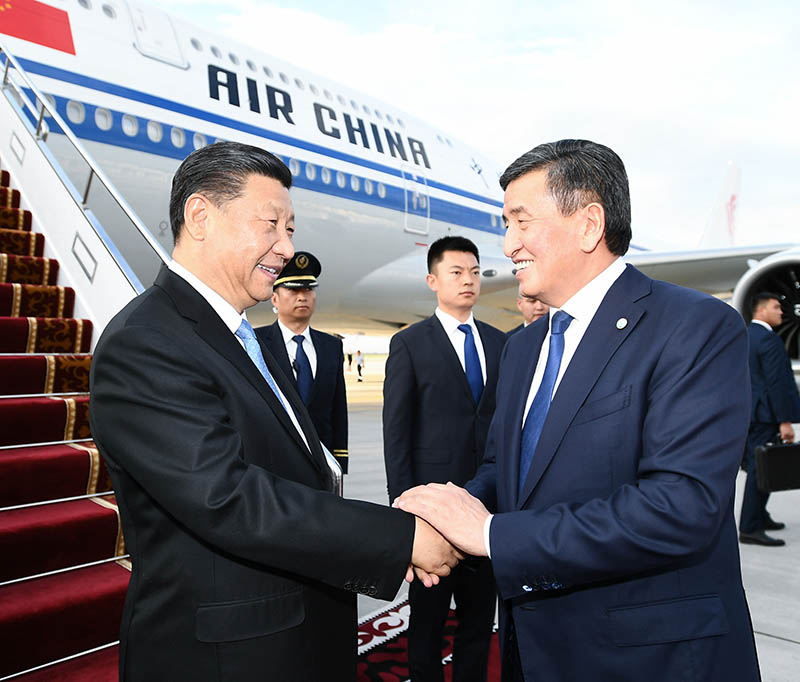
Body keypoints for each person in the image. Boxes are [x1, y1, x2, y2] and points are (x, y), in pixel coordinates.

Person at [89, 141, 458, 682]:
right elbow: (227, 497)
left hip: (291, 634)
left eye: (290, 229)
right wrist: (398, 538)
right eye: (271, 225)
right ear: (200, 216)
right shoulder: (145, 341)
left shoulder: (241, 335)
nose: (286, 248)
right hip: (226, 659)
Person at [396, 140, 760, 681]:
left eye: (521, 222)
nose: (508, 244)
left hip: (647, 660)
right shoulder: (523, 348)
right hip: (533, 650)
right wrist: (443, 516)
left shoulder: (695, 327)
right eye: (506, 224)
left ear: (589, 225)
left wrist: (490, 535)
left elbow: (680, 506)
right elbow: (506, 471)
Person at [383, 236, 506, 682]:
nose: (468, 280)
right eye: (456, 272)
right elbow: (397, 433)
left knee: (479, 618)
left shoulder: (500, 342)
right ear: (433, 280)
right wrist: (407, 514)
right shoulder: (410, 344)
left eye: (474, 272)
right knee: (428, 621)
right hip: (432, 515)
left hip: (487, 510)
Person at [256, 251, 349, 473]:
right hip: (273, 464)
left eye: (308, 289)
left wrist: (340, 460)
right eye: (293, 290)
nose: (302, 297)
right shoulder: (257, 343)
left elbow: (338, 409)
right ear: (275, 298)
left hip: (322, 463)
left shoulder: (331, 346)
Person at [739, 292, 800, 546]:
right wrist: (785, 420)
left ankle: (760, 515)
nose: (782, 312)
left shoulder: (744, 336)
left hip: (750, 412)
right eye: (776, 307)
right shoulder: (769, 339)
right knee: (760, 469)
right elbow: (777, 383)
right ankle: (750, 527)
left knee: (761, 465)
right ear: (761, 310)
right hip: (766, 415)